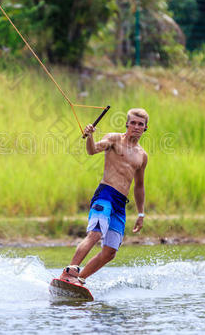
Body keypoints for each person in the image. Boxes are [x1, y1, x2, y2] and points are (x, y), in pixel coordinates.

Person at [60, 108, 149, 285]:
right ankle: (70, 272)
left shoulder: (142, 156)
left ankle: (80, 280)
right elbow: (92, 150)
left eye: (141, 124)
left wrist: (141, 214)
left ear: (145, 128)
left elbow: (139, 186)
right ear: (127, 124)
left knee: (110, 252)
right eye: (133, 123)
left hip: (120, 203)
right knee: (95, 234)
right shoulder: (114, 139)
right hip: (106, 194)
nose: (136, 127)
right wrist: (90, 136)